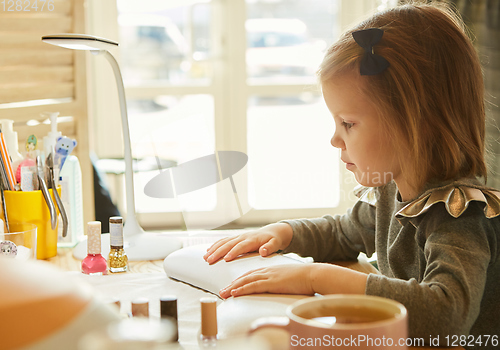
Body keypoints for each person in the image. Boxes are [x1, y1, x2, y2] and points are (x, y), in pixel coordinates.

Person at [203, 1, 500, 346]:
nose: (334, 139)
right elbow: (344, 232)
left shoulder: (459, 214)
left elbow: (445, 315)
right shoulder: (391, 189)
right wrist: (282, 233)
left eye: (348, 123)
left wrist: (316, 277)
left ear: (414, 122)